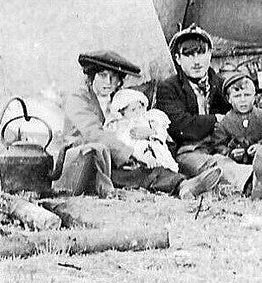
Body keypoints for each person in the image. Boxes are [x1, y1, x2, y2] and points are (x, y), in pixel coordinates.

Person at [58, 50, 221, 199]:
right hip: (85, 162)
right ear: (91, 75)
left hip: (115, 157)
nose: (108, 82)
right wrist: (132, 153)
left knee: (155, 157)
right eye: (102, 75)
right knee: (140, 172)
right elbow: (94, 134)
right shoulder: (78, 98)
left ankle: (185, 186)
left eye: (114, 77)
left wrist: (148, 132)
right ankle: (182, 185)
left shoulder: (118, 99)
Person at [155, 26, 232, 182]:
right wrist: (216, 119)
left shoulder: (223, 85)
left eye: (201, 53)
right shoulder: (168, 88)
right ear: (177, 59)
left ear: (210, 54)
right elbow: (181, 126)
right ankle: (251, 177)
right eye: (189, 55)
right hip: (189, 151)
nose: (196, 61)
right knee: (213, 165)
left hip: (222, 147)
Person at [208, 71, 262, 199]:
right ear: (229, 99)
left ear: (254, 97)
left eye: (247, 95)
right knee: (222, 163)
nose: (243, 100)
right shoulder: (224, 123)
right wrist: (231, 152)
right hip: (240, 166)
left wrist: (261, 145)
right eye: (237, 96)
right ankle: (255, 187)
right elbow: (218, 145)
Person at [104, 88, 178, 172]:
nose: (138, 112)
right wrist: (147, 155)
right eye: (133, 110)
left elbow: (162, 131)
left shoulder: (148, 117)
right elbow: (132, 144)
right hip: (141, 154)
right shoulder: (125, 126)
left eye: (139, 107)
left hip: (158, 148)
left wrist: (154, 132)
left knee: (168, 163)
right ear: (122, 113)